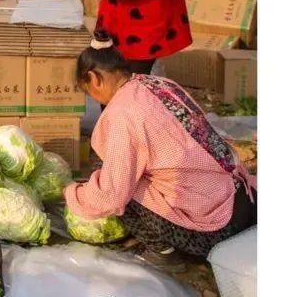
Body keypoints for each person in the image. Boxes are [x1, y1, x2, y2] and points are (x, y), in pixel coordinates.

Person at [64, 32, 256, 257]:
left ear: (94, 79)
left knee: (122, 191)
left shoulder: (122, 112)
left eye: (89, 91)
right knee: (127, 174)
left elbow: (112, 195)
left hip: (219, 225)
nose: (95, 98)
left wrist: (72, 194)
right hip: (243, 197)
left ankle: (166, 252)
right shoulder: (158, 83)